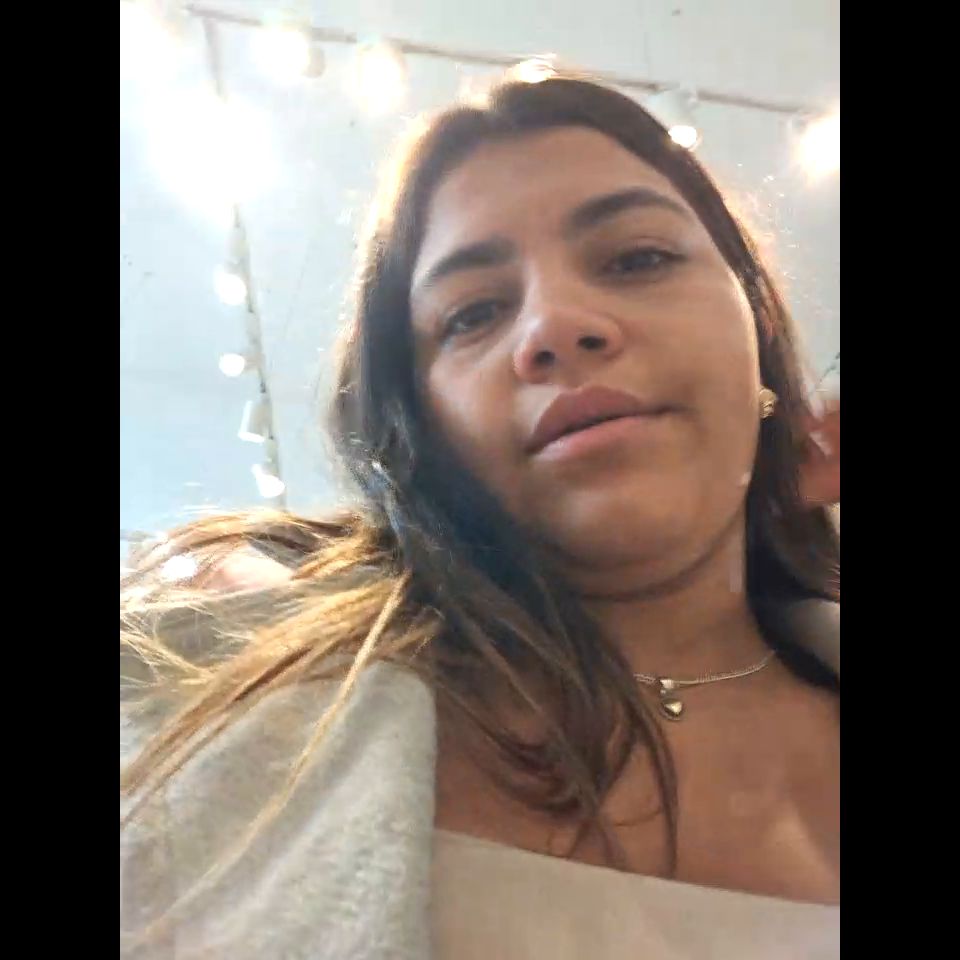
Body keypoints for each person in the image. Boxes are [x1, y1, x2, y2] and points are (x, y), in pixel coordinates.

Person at [120, 74, 840, 959]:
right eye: (473, 314)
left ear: (757, 330)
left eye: (638, 259)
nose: (557, 325)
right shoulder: (243, 717)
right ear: (420, 427)